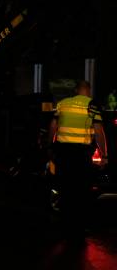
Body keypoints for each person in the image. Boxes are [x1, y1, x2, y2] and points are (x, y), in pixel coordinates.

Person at [48, 80, 108, 234]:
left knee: (65, 187)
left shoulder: (63, 103)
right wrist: (104, 155)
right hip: (81, 154)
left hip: (63, 152)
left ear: (76, 90)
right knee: (81, 189)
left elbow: (53, 126)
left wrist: (50, 146)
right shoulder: (92, 105)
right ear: (88, 90)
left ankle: (64, 224)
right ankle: (79, 227)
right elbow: (98, 131)